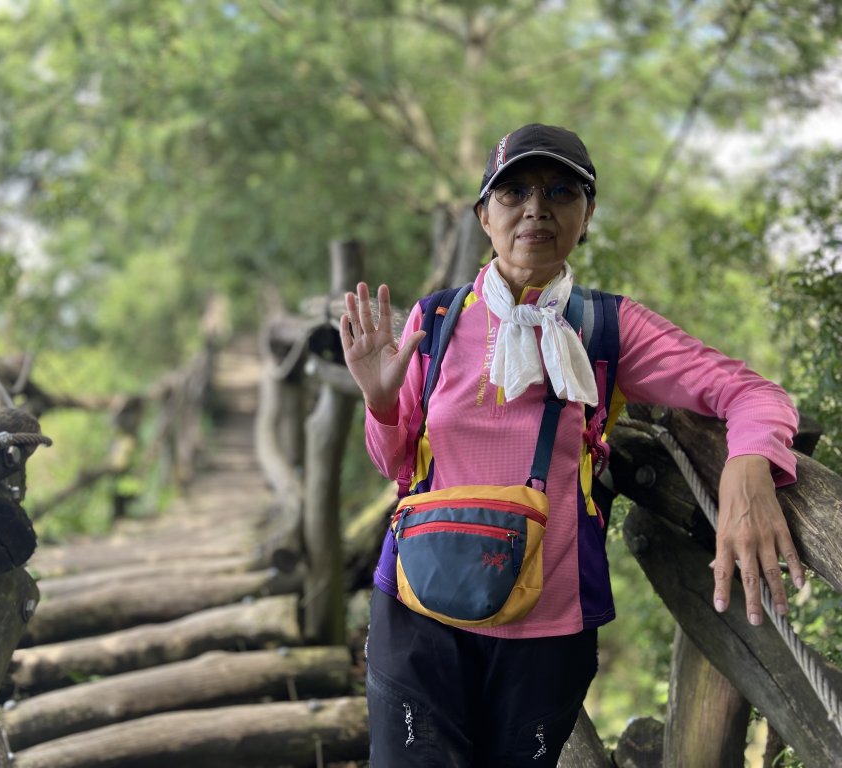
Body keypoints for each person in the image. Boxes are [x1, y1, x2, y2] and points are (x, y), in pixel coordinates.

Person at [340, 123, 804, 767]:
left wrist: (749, 465)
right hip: (419, 606)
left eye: (561, 190)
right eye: (513, 192)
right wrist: (382, 402)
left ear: (586, 217)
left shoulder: (610, 327)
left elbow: (754, 394)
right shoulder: (437, 320)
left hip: (548, 620)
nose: (536, 208)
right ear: (484, 215)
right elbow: (397, 464)